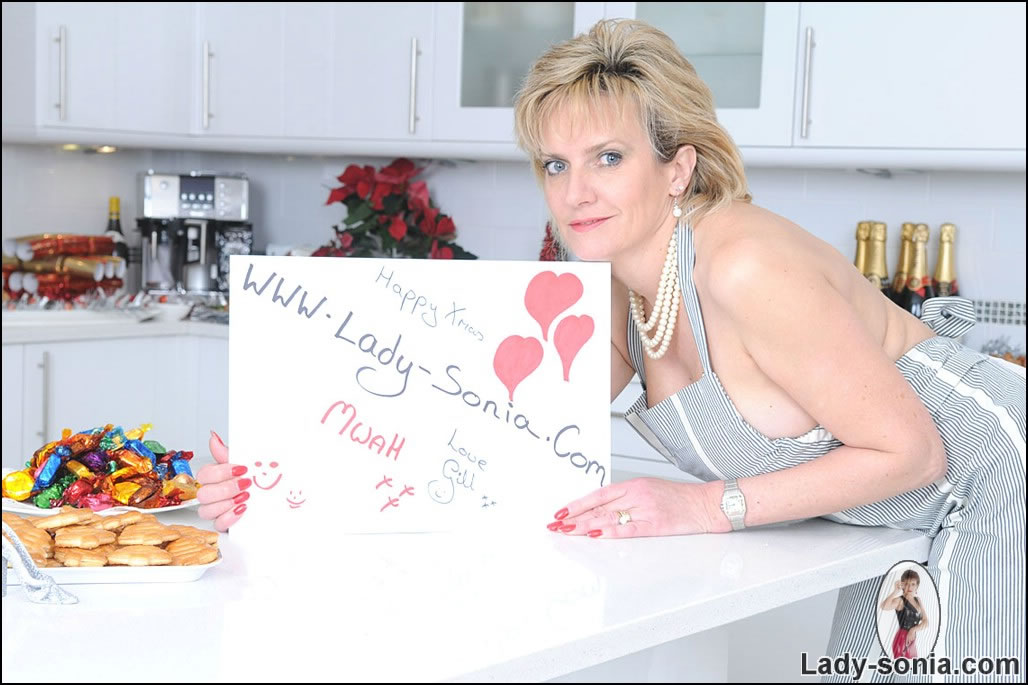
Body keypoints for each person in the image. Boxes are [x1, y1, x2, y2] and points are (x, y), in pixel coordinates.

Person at [199, 17, 1024, 677]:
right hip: (902, 513)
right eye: (555, 164)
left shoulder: (743, 264)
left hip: (991, 480)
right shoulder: (610, 289)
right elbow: (471, 429)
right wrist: (281, 477)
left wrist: (700, 507)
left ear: (678, 168)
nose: (575, 191)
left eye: (608, 157)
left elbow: (912, 449)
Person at [881, 570, 928, 658]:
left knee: (913, 664)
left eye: (913, 584)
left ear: (917, 586)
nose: (909, 587)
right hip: (902, 639)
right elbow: (883, 606)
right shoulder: (900, 600)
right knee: (903, 664)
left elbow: (926, 622)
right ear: (902, 585)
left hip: (912, 639)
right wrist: (895, 591)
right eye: (906, 584)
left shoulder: (918, 600)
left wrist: (913, 630)